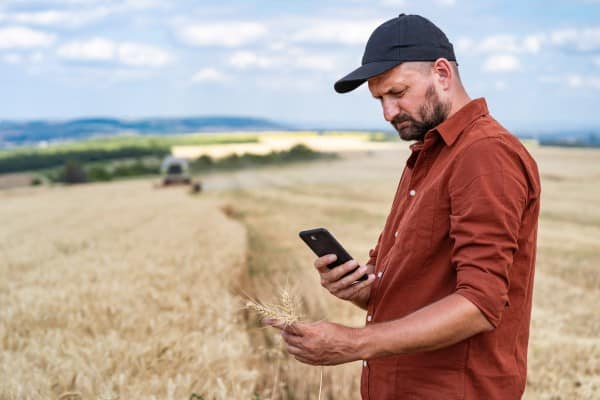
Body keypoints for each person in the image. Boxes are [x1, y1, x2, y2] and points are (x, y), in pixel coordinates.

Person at [266, 13, 541, 399]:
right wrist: (360, 288)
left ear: (442, 74)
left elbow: (479, 304)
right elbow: (414, 287)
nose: (388, 113)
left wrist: (352, 343)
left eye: (397, 93)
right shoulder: (429, 154)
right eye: (379, 99)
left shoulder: (484, 155)